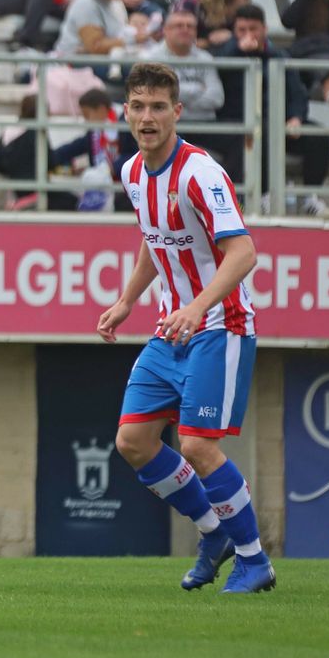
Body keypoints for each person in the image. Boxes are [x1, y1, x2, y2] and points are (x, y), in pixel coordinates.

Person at [96, 61, 272, 595]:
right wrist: (128, 299)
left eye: (157, 107)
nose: (147, 117)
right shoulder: (131, 172)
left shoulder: (200, 172)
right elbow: (156, 238)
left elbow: (243, 252)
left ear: (177, 111)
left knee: (196, 443)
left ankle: (254, 560)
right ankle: (213, 533)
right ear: (125, 111)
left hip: (221, 323)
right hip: (171, 326)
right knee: (133, 441)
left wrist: (197, 307)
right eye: (138, 106)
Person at [215, 5, 329, 214]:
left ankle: (310, 197)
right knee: (264, 131)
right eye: (242, 30)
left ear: (265, 29)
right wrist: (238, 50)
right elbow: (220, 68)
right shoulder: (227, 53)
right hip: (240, 123)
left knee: (318, 135)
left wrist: (296, 117)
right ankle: (263, 196)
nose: (248, 35)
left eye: (253, 29)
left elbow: (297, 93)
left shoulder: (279, 56)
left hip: (280, 122)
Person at [139, 9, 233, 173]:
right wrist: (198, 89)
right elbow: (158, 97)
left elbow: (217, 98)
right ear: (166, 30)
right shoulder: (151, 59)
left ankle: (232, 195)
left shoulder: (205, 58)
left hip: (204, 124)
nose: (185, 30)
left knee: (240, 137)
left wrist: (177, 93)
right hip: (169, 126)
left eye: (190, 26)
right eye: (179, 26)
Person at [56, 0, 139, 59]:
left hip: (111, 55)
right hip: (78, 59)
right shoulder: (86, 5)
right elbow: (95, 47)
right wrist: (132, 39)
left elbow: (120, 31)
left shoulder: (116, 1)